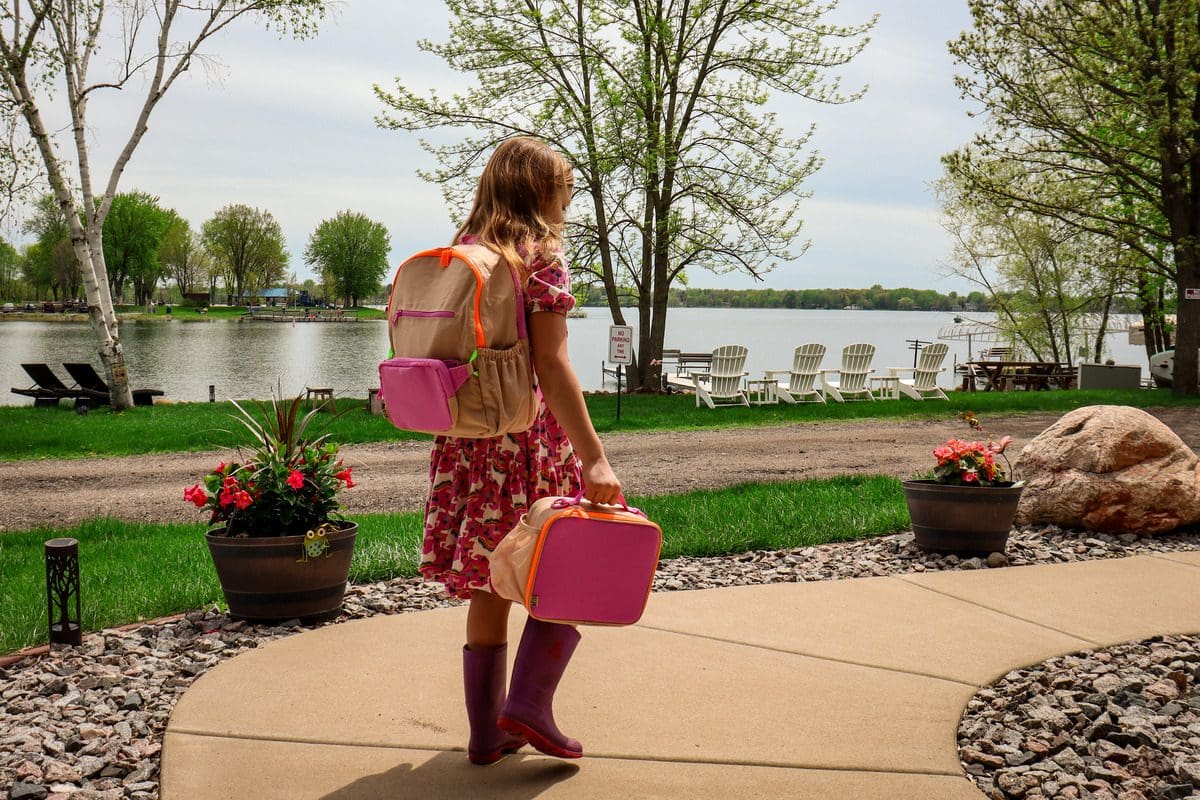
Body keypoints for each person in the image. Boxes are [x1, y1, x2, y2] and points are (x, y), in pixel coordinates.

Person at [419, 136, 622, 765]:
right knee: (568, 564)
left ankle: (487, 733)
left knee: (489, 575)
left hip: (467, 441)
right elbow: (554, 365)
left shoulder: (465, 251)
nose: (569, 197)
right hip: (526, 442)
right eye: (564, 184)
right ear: (539, 188)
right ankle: (529, 705)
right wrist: (594, 457)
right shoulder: (539, 257)